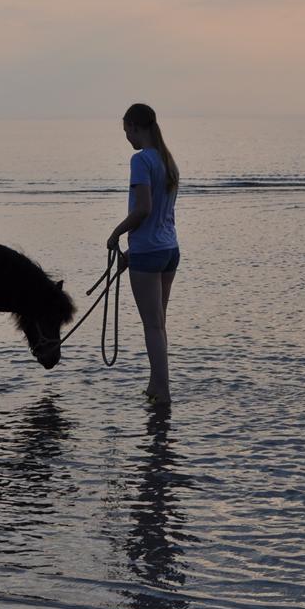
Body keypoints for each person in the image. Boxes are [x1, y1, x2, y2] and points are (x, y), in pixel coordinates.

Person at [106, 103, 180, 405]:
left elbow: (143, 208)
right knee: (159, 324)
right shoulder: (167, 160)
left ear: (135, 127)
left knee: (152, 325)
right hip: (169, 249)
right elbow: (163, 213)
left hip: (149, 251)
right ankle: (155, 384)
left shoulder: (141, 160)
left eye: (127, 132)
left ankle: (161, 390)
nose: (127, 138)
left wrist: (116, 234)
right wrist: (130, 253)